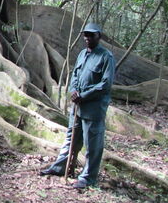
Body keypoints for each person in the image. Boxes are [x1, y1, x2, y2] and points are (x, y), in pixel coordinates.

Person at [40, 23, 115, 189]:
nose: (87, 38)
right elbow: (75, 74)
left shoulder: (105, 57)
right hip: (77, 108)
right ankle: (60, 167)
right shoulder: (82, 54)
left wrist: (84, 95)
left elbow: (105, 84)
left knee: (92, 144)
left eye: (91, 35)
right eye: (85, 35)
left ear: (99, 37)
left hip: (93, 109)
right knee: (70, 139)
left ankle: (88, 177)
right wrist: (74, 91)